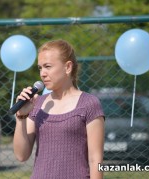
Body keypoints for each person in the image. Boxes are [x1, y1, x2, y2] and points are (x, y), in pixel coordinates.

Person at [13, 39, 105, 179]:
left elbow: (96, 159)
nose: (42, 73)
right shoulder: (37, 103)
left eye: (48, 66)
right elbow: (21, 155)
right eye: (40, 68)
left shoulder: (89, 104)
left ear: (68, 67)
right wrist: (21, 117)